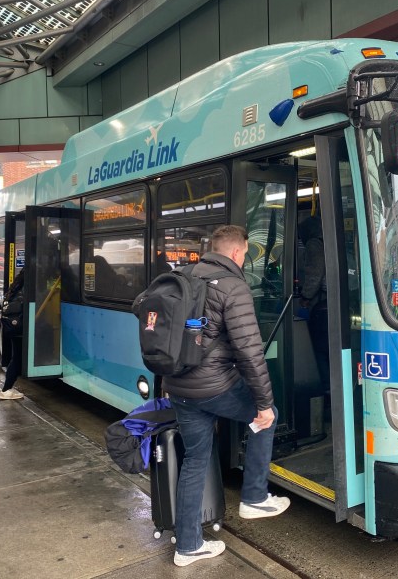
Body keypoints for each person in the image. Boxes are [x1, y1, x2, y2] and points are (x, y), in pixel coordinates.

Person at [163, 225, 289, 568]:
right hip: (215, 387)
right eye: (246, 253)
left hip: (179, 387)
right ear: (237, 252)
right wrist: (263, 404)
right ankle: (254, 498)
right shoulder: (234, 287)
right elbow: (250, 352)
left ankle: (188, 546)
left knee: (195, 461)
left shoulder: (183, 276)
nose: (245, 258)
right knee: (267, 418)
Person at [298, 215, 329, 387]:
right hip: (332, 303)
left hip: (321, 304)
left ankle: (324, 385)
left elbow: (314, 274)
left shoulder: (314, 244)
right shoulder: (329, 242)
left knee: (317, 348)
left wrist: (306, 297)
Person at [0, 269, 25, 400]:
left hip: (13, 327)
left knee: (16, 357)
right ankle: (6, 389)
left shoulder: (16, 286)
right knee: (17, 359)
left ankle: (7, 388)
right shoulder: (28, 288)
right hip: (20, 328)